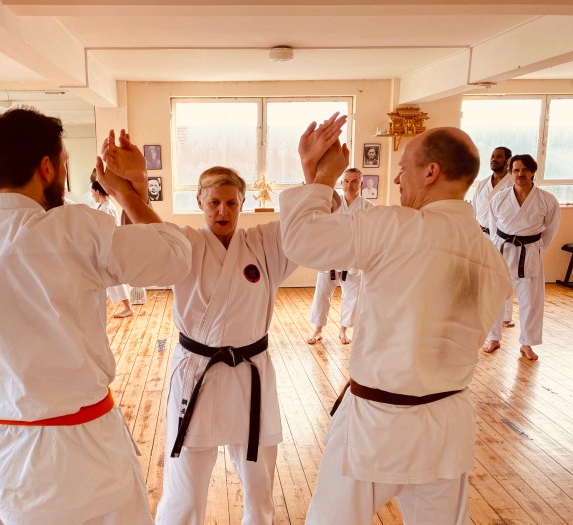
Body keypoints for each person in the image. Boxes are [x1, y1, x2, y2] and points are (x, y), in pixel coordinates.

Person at [0, 107, 192, 525]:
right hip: (81, 460)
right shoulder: (72, 230)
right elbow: (174, 257)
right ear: (46, 167)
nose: (64, 174)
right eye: (64, 164)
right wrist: (127, 192)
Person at [280, 114, 511, 524]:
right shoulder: (491, 258)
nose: (398, 179)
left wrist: (321, 176)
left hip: (378, 421)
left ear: (431, 172)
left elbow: (302, 241)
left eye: (403, 168)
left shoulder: (396, 227)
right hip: (447, 425)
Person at [107, 138, 297, 524]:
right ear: (199, 202)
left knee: (259, 487)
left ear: (243, 203)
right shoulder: (187, 243)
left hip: (251, 376)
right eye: (214, 203)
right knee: (185, 490)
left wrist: (320, 178)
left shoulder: (263, 244)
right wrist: (133, 189)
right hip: (197, 374)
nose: (222, 211)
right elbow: (148, 241)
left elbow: (305, 228)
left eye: (231, 202)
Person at [481, 154, 561, 361]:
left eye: (525, 169)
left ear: (533, 172)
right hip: (502, 250)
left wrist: (537, 248)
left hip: (530, 252)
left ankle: (527, 343)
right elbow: (493, 228)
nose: (520, 174)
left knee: (530, 300)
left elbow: (550, 230)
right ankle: (493, 338)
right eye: (516, 170)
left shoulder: (547, 200)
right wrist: (496, 248)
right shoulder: (499, 198)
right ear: (510, 173)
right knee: (496, 296)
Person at [307, 168, 373, 345]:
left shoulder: (367, 207)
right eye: (346, 181)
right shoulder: (332, 204)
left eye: (354, 181)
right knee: (322, 292)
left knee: (352, 295)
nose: (349, 185)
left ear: (361, 184)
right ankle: (318, 329)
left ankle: (343, 330)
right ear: (341, 183)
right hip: (331, 254)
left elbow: (370, 232)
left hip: (353, 256)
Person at [472, 146, 516, 328]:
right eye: (492, 156)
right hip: (480, 233)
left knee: (503, 274)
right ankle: (481, 312)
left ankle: (506, 316)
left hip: (500, 235)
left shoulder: (512, 184)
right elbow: (475, 208)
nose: (494, 159)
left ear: (508, 161)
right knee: (480, 274)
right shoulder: (483, 183)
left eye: (499, 156)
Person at [91, 179, 135, 318]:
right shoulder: (103, 206)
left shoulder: (108, 208)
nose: (92, 195)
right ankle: (103, 306)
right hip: (105, 246)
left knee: (114, 278)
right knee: (108, 278)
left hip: (109, 246)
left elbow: (110, 229)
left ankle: (128, 307)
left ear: (97, 191)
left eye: (92, 192)